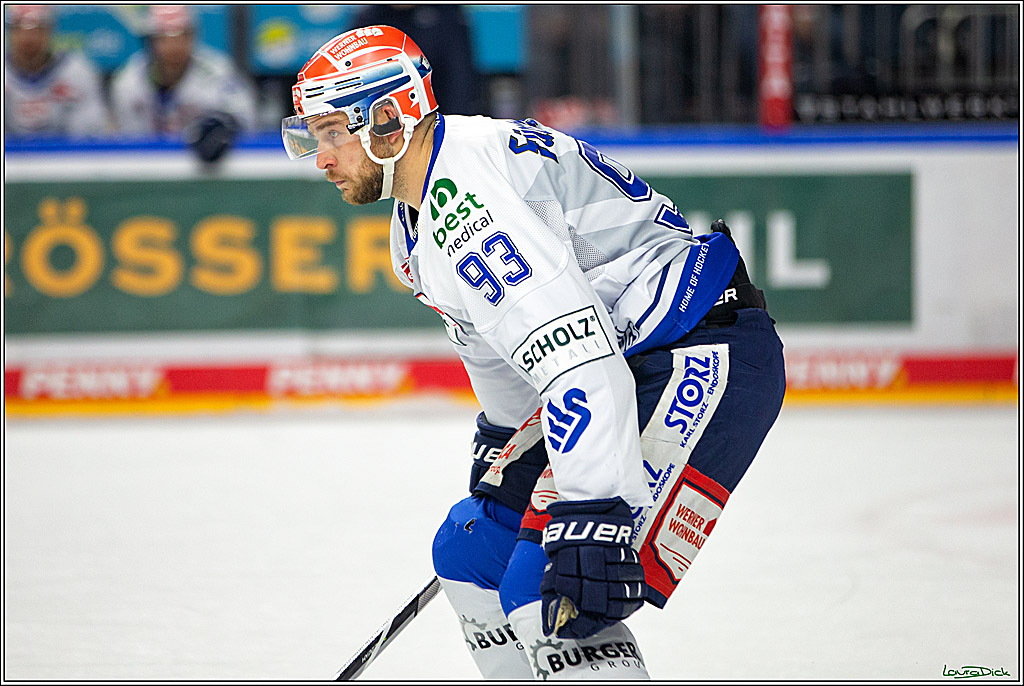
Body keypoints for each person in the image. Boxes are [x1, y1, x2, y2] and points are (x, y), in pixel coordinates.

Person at [282, 26, 786, 680]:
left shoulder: (469, 198)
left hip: (700, 351)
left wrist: (594, 507)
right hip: (631, 364)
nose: (319, 157)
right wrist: (503, 438)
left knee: (556, 586)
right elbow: (499, 348)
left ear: (388, 119)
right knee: (470, 549)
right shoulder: (417, 224)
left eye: (329, 133)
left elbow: (576, 355)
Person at [109, 4, 256, 163]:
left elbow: (248, 121)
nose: (174, 47)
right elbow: (125, 141)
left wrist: (223, 124)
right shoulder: (128, 81)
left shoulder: (218, 74)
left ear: (193, 36)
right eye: (164, 38)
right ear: (150, 41)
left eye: (182, 36)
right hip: (145, 166)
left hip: (204, 169)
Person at [351, 5, 482, 116]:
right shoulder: (368, 21)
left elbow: (460, 80)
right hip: (383, 121)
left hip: (439, 118)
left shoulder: (446, 15)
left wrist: (450, 128)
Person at [3, 4, 109, 137]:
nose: (28, 38)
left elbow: (88, 134)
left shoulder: (76, 72)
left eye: (38, 29)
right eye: (19, 29)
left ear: (50, 31)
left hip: (65, 155)